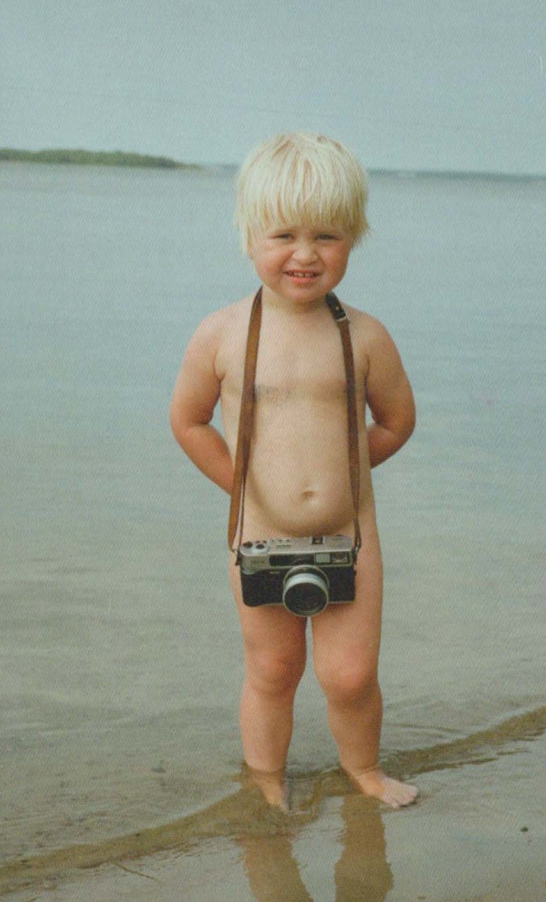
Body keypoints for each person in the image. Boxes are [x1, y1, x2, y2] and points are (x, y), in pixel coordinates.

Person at [170, 132, 417, 810]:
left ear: (354, 238)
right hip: (258, 534)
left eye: (327, 237)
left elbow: (396, 420)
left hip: (349, 536)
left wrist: (344, 474)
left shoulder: (364, 336)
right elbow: (188, 420)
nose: (305, 254)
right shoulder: (222, 334)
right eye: (283, 234)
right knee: (274, 670)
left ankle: (363, 769)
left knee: (350, 675)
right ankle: (267, 781)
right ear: (249, 235)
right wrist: (246, 486)